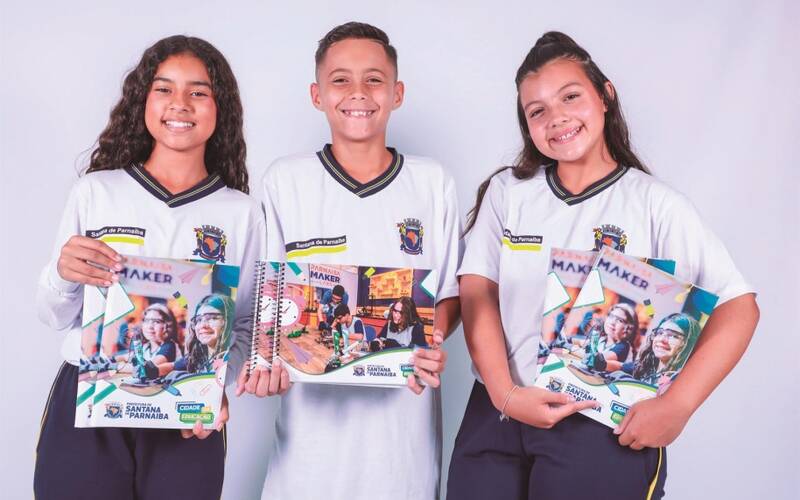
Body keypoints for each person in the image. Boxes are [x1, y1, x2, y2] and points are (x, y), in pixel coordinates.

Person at [449, 31, 759, 500]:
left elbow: (739, 306)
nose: (557, 117)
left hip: (600, 420)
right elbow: (477, 293)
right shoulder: (509, 193)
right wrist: (505, 394)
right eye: (537, 111)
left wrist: (678, 405)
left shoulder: (656, 205)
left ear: (605, 95)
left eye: (570, 96)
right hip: (497, 412)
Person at [33, 35, 266, 500]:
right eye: (164, 88)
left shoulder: (242, 213)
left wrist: (215, 384)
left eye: (198, 91)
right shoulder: (96, 192)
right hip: (90, 401)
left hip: (187, 410)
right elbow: (54, 316)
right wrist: (62, 273)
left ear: (220, 108)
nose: (180, 103)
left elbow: (243, 324)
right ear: (143, 99)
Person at [241, 22, 461, 499]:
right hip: (307, 453)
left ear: (397, 93)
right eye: (340, 79)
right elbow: (266, 299)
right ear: (317, 95)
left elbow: (449, 295)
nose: (358, 92)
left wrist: (432, 338)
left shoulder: (433, 183)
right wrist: (263, 361)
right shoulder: (286, 181)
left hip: (402, 450)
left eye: (374, 79)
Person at [628, 313, 701, 392]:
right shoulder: (644, 365)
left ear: (689, 344)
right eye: (660, 333)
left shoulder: (683, 383)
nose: (662, 339)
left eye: (674, 336)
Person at [576, 302, 638, 372]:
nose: (612, 322)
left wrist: (573, 348)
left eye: (620, 320)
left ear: (629, 328)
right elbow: (582, 342)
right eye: (611, 316)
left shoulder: (624, 346)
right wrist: (569, 340)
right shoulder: (603, 339)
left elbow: (596, 360)